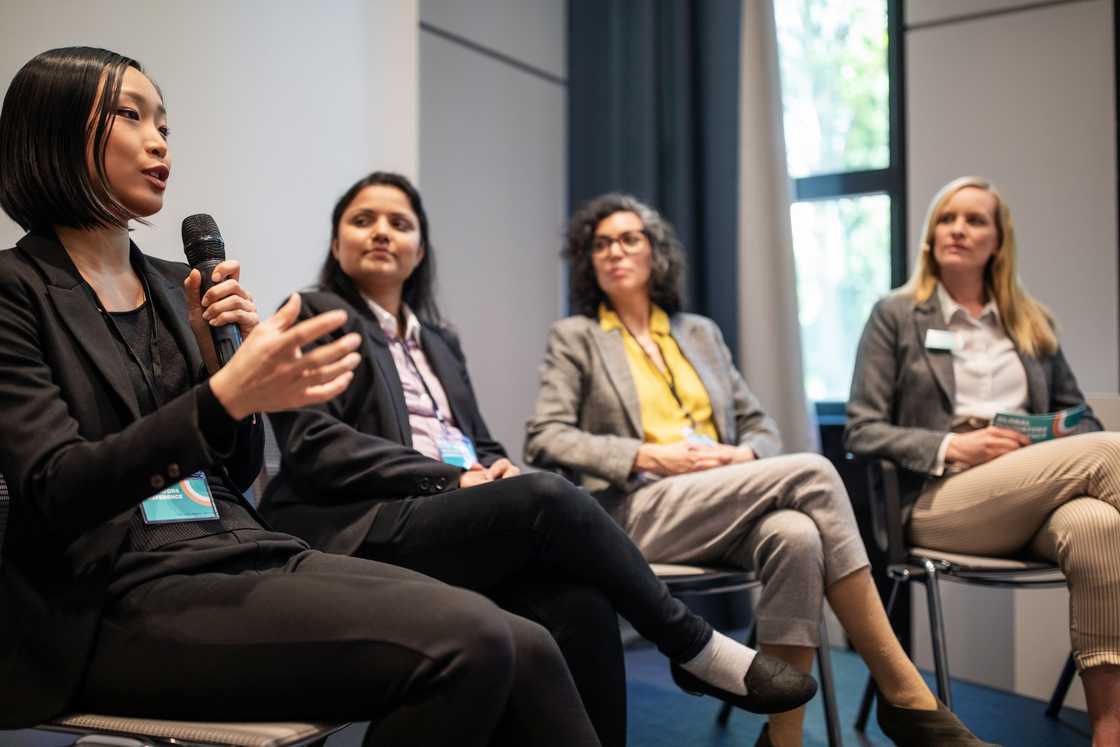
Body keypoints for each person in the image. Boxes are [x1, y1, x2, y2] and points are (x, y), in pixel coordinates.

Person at [0, 46, 607, 747]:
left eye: (164, 120)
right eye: (129, 116)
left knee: (524, 639)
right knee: (467, 643)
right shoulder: (16, 290)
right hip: (111, 597)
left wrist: (221, 376)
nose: (159, 139)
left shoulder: (176, 284)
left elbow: (232, 469)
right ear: (51, 130)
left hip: (234, 548)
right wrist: (223, 395)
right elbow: (52, 490)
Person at [258, 171, 819, 744]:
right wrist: (453, 478)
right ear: (335, 243)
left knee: (583, 606)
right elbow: (314, 444)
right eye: (362, 221)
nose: (381, 232)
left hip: (440, 518)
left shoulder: (439, 341)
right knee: (547, 493)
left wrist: (493, 468)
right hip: (362, 523)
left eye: (399, 223)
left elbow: (480, 441)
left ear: (419, 250)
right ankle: (692, 645)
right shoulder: (313, 315)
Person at [525, 192, 997, 747]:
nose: (615, 252)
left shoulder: (698, 332)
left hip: (719, 497)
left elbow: (759, 424)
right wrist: (647, 454)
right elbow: (545, 436)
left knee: (797, 536)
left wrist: (742, 455)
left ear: (656, 253)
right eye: (601, 244)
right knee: (815, 472)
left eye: (630, 238)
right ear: (589, 261)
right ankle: (905, 693)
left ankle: (783, 739)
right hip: (637, 508)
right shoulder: (576, 337)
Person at [846, 175, 1120, 747]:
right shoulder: (897, 315)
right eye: (948, 218)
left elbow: (1080, 421)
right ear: (930, 234)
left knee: (1100, 525)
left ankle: (1108, 734)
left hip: (1032, 495)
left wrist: (1041, 441)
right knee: (1109, 450)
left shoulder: (1029, 322)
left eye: (974, 220)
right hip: (942, 500)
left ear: (998, 240)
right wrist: (953, 445)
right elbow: (862, 430)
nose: (958, 230)